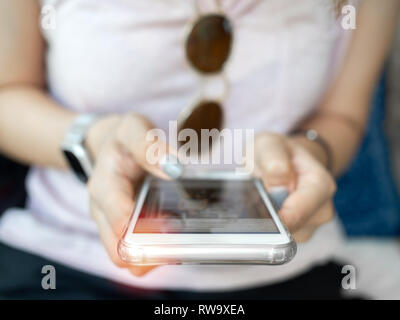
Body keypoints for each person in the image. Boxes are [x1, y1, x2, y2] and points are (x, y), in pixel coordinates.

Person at [0, 0, 399, 299]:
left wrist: (309, 154)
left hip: (287, 267)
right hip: (64, 256)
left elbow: (342, 116)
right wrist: (97, 140)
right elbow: (8, 95)